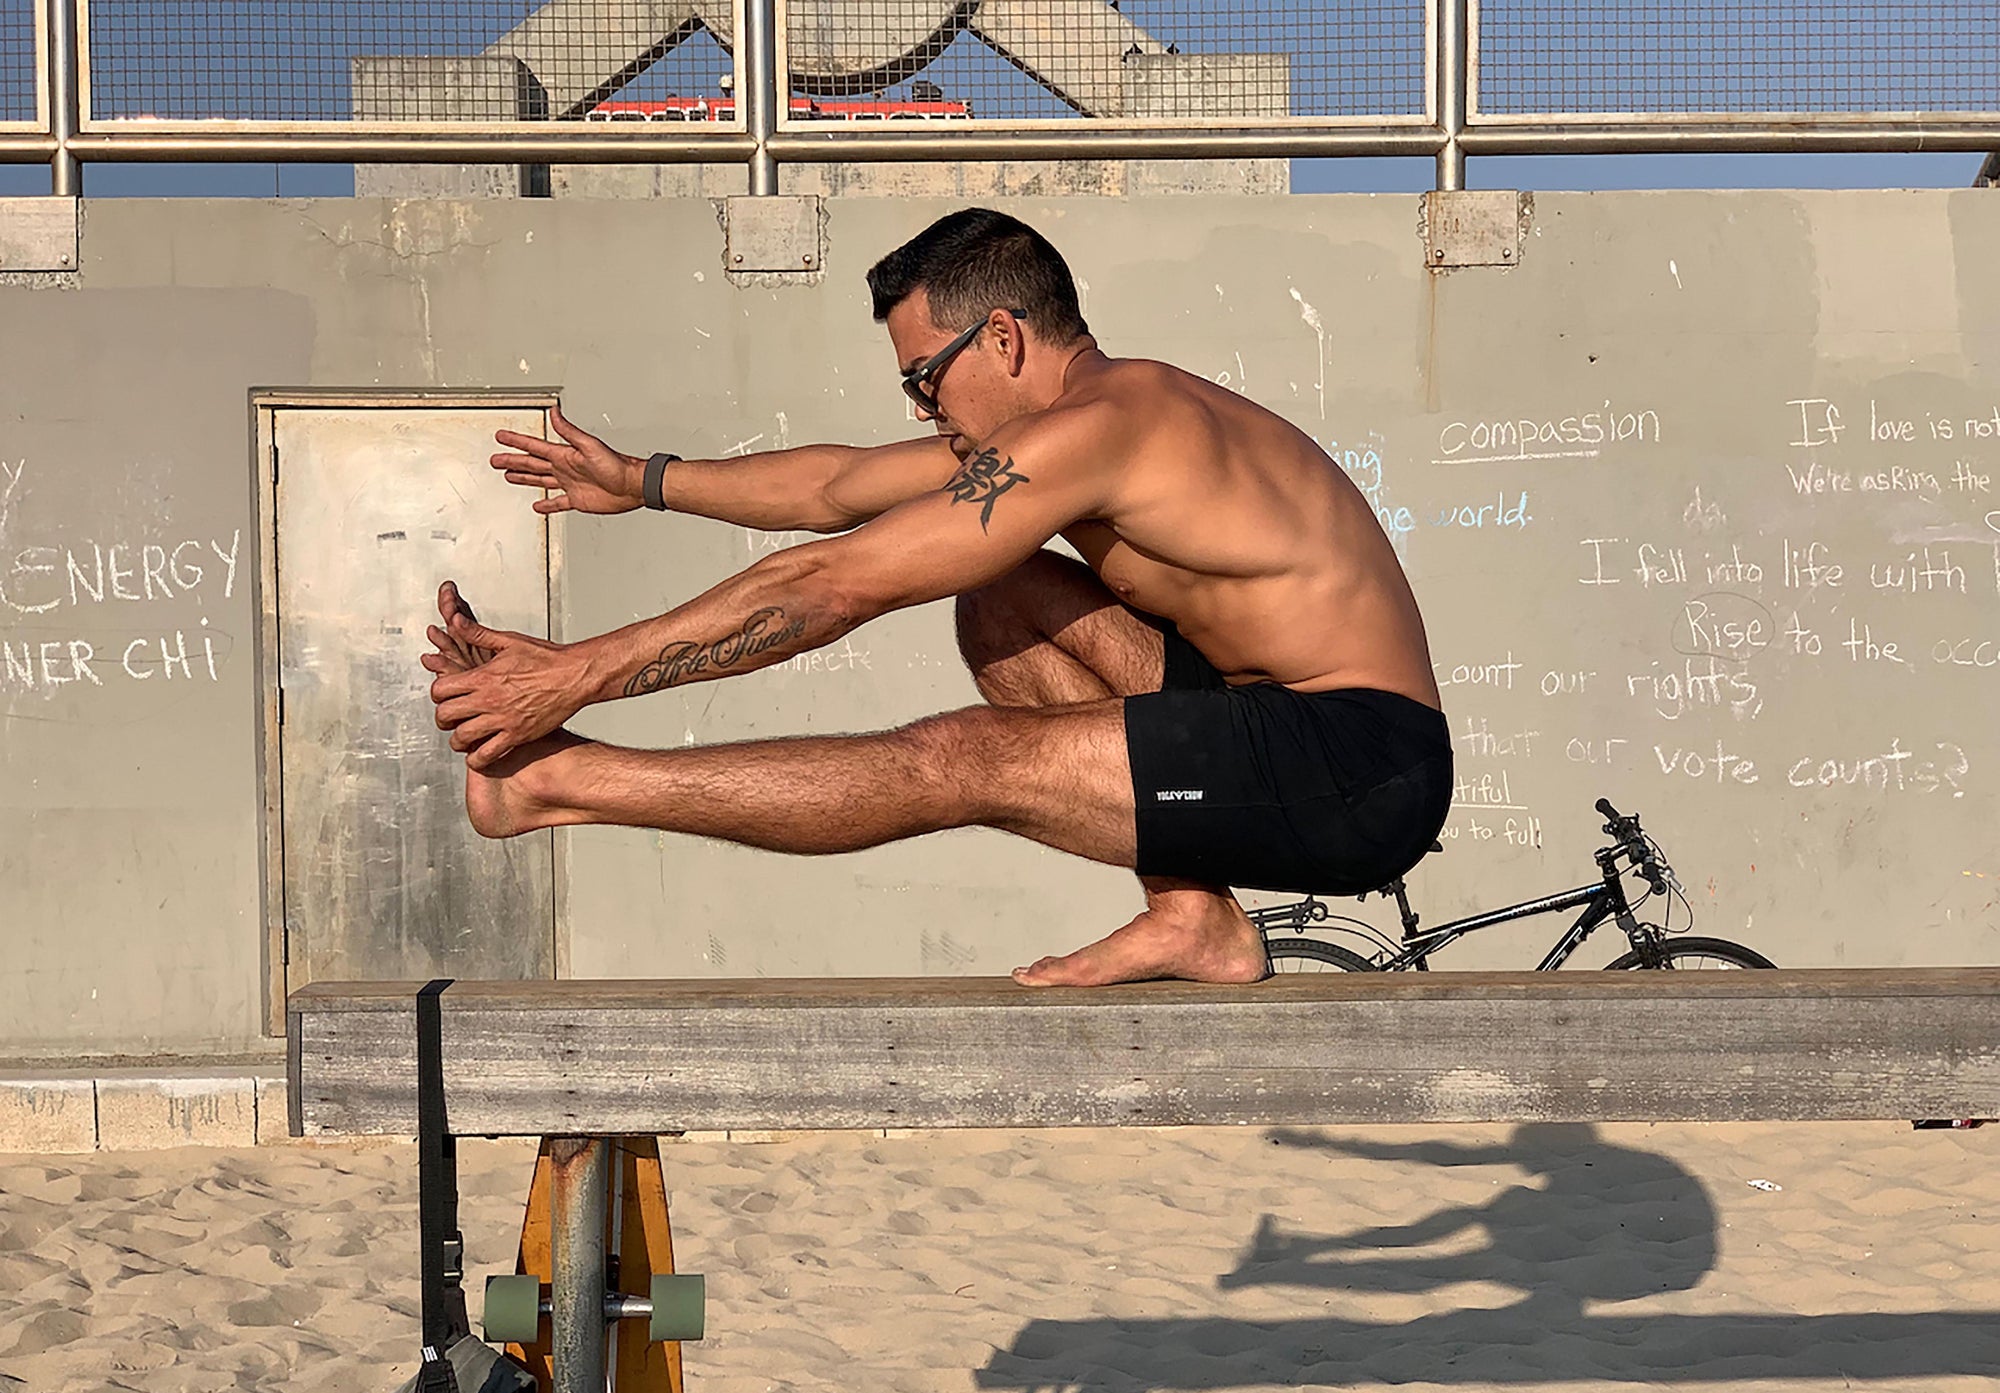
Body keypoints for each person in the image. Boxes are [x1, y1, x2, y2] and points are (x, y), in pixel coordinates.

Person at [421, 208, 1449, 987]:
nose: (922, 406)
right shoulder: (1085, 423)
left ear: (1000, 340)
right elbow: (836, 488)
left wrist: (572, 679)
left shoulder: (1108, 427)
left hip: (1357, 769)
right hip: (1264, 711)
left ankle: (559, 786)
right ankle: (1193, 917)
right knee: (999, 596)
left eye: (924, 379)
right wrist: (642, 481)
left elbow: (836, 584)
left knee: (958, 760)